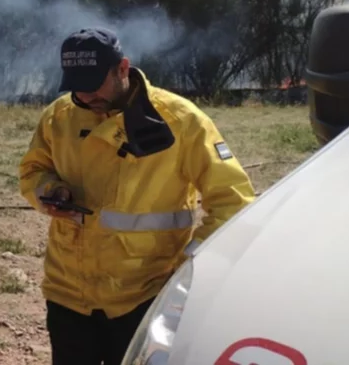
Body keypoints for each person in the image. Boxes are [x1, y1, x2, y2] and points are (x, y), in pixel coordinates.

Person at [19, 28, 256, 365]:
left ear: (122, 69)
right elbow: (32, 170)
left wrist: (187, 269)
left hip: (144, 299)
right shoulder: (59, 116)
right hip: (68, 294)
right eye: (76, 86)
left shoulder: (181, 121)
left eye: (93, 83)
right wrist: (48, 191)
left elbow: (234, 203)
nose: (86, 96)